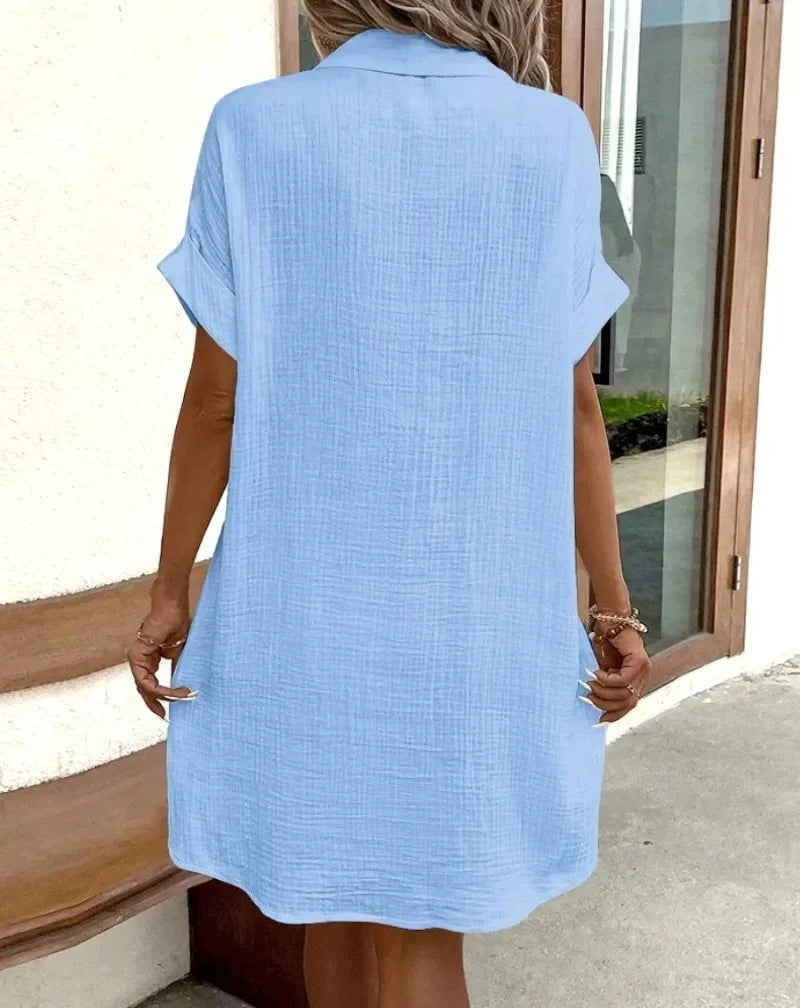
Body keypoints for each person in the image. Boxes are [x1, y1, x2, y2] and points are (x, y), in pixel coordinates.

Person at [127, 3, 651, 1006]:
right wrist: (612, 609)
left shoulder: (252, 127)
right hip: (474, 621)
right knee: (422, 932)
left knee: (327, 897)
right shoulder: (548, 136)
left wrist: (167, 592)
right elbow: (573, 403)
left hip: (308, 616)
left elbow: (216, 401)